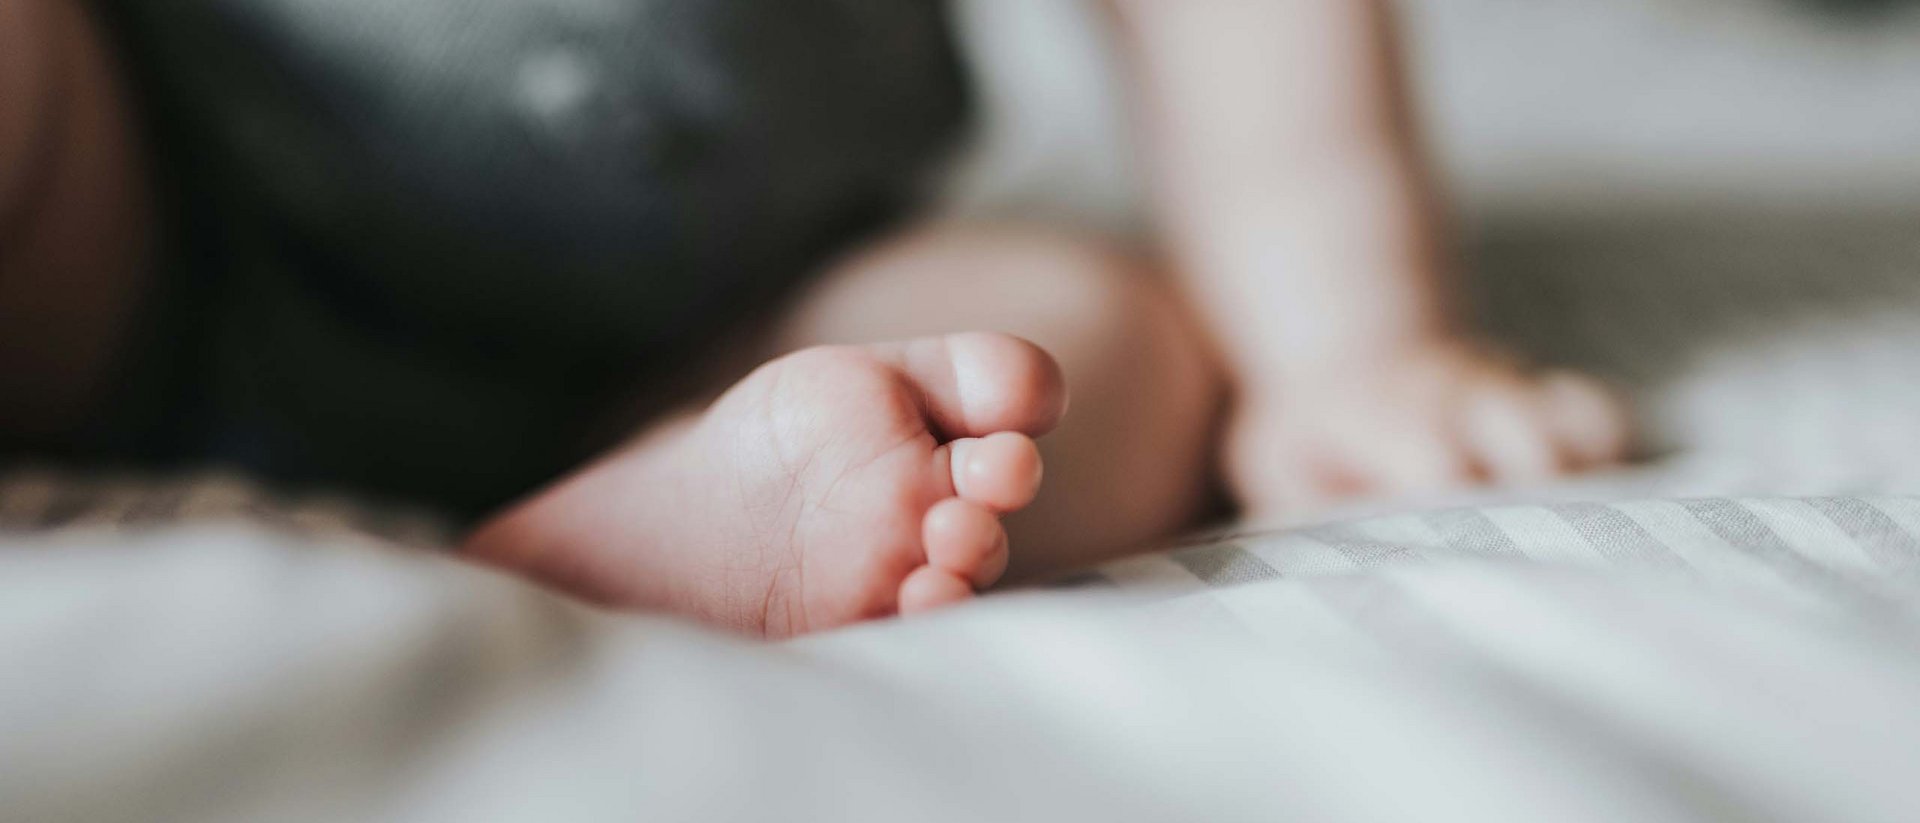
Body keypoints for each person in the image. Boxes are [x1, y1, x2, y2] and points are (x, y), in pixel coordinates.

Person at [0, 0, 1628, 637]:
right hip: (148, 221)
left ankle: (630, 532)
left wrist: (1350, 341)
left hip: (708, 334)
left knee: (1064, 345)